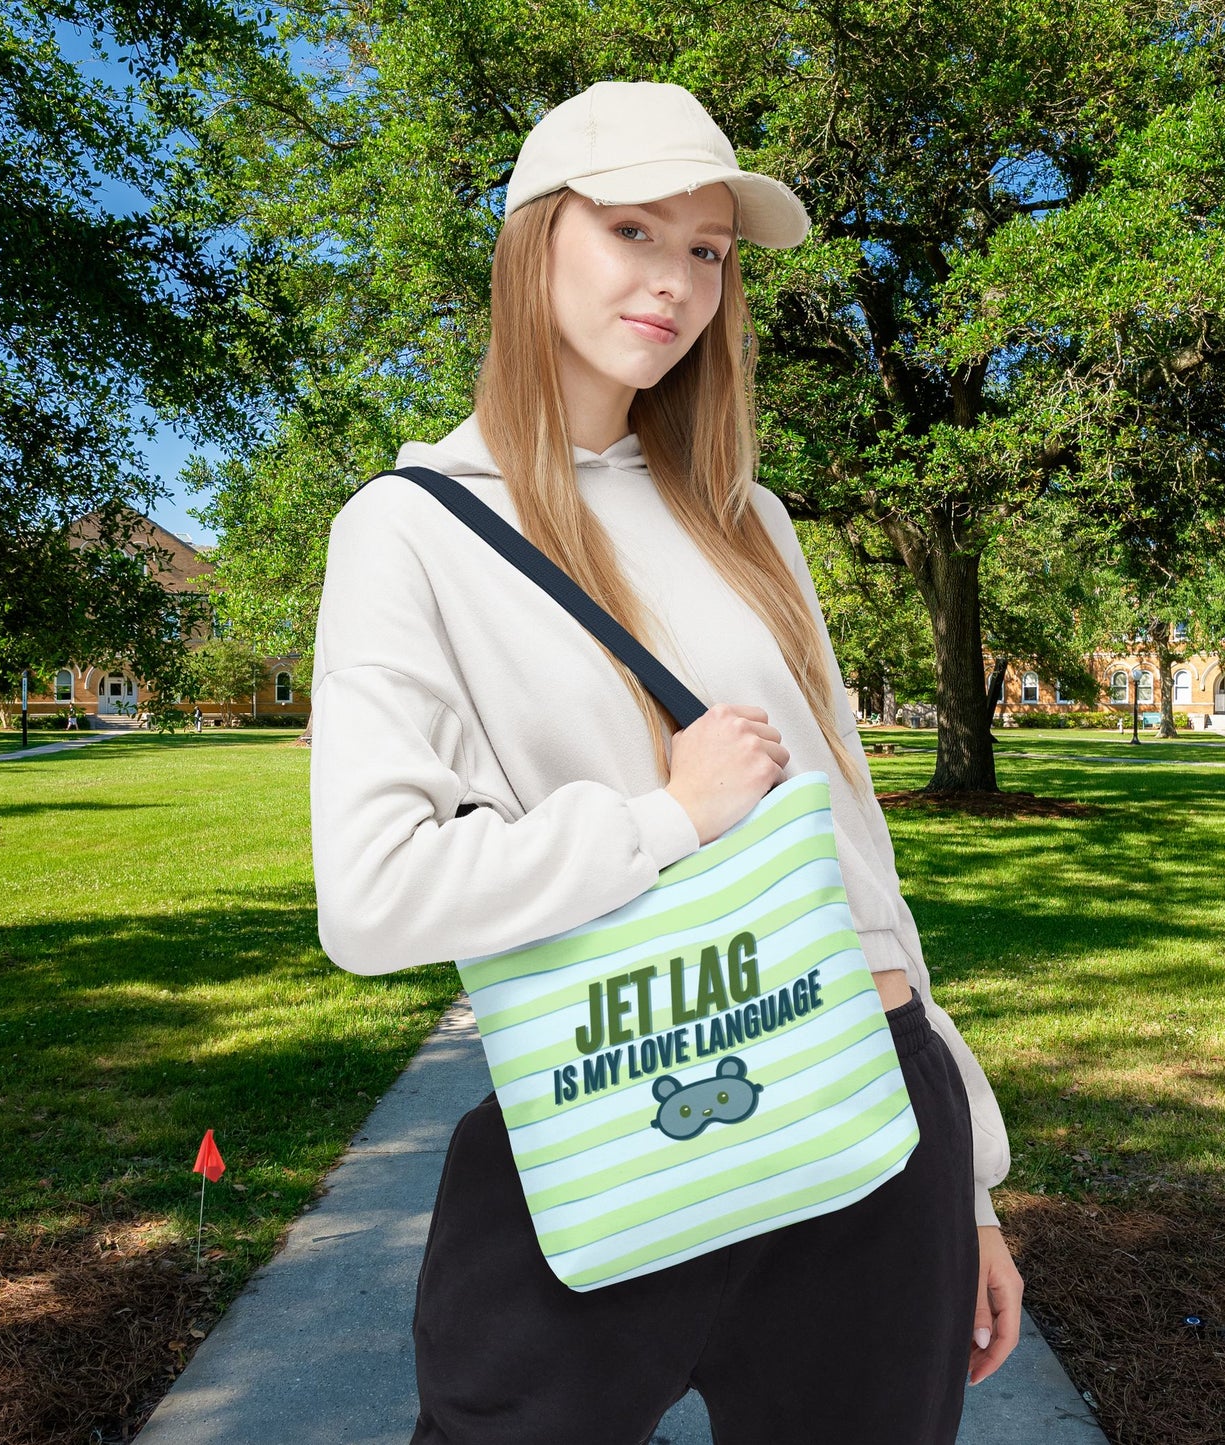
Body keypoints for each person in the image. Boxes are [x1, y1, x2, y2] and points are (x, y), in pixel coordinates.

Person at [310, 81, 1021, 1445]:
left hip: (867, 1114)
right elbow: (374, 895)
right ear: (534, 240)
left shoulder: (746, 516)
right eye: (633, 228)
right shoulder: (412, 529)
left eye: (705, 250)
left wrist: (970, 1187)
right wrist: (667, 819)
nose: (676, 282)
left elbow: (853, 852)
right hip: (612, 1114)